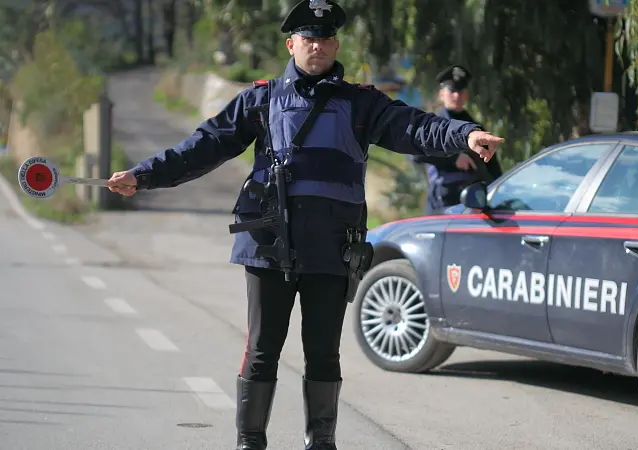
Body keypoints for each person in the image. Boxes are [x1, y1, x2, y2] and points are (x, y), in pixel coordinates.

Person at [106, 1, 504, 449]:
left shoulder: (360, 104)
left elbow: (415, 127)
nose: (317, 46)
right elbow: (205, 146)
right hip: (270, 245)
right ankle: (250, 442)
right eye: (308, 38)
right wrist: (145, 175)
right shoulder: (262, 99)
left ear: (335, 44)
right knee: (261, 350)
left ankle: (322, 442)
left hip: (332, 249)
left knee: (323, 354)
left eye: (326, 38)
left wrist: (463, 135)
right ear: (290, 43)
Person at [411, 64, 503, 214]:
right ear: (442, 94)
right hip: (443, 202)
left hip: (474, 201)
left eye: (460, 91)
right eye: (452, 91)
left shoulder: (475, 127)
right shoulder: (433, 123)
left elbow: (492, 166)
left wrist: (501, 189)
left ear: (466, 95)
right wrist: (453, 158)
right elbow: (416, 153)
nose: (456, 96)